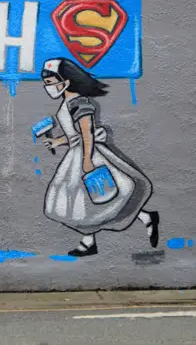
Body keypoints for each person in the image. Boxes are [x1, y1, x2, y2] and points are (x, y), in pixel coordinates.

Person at [40, 57, 159, 257]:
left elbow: (87, 134)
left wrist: (87, 161)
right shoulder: (67, 102)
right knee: (85, 203)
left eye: (50, 82)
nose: (47, 87)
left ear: (66, 81)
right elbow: (75, 136)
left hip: (88, 156)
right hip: (77, 154)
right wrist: (57, 142)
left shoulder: (79, 103)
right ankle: (143, 219)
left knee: (94, 200)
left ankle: (91, 241)